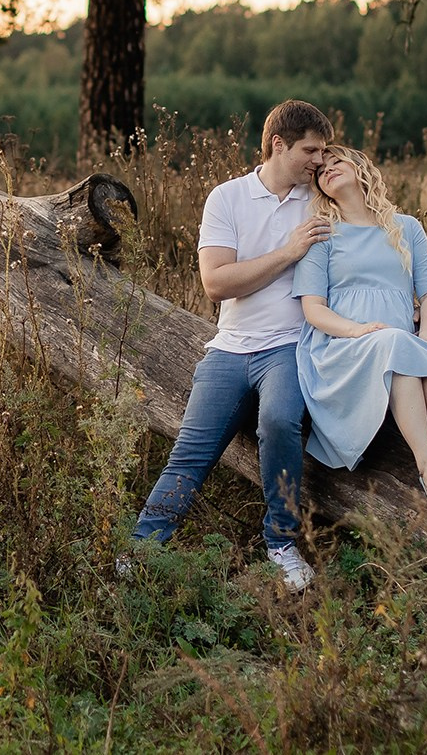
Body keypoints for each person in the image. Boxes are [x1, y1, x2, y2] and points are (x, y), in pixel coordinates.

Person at [129, 100, 335, 590]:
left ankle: (281, 545)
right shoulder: (227, 198)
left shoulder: (322, 200)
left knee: (279, 421)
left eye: (324, 151)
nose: (320, 161)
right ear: (278, 145)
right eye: (311, 150)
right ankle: (141, 551)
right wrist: (291, 250)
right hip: (230, 349)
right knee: (190, 452)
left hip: (290, 345)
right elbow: (217, 283)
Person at [293, 146, 427, 513]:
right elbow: (313, 310)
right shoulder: (323, 235)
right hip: (343, 348)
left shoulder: (406, 227)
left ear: (361, 169)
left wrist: (425, 343)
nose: (326, 171)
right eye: (320, 171)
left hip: (397, 345)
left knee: (413, 358)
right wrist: (357, 330)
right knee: (397, 345)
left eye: (336, 162)